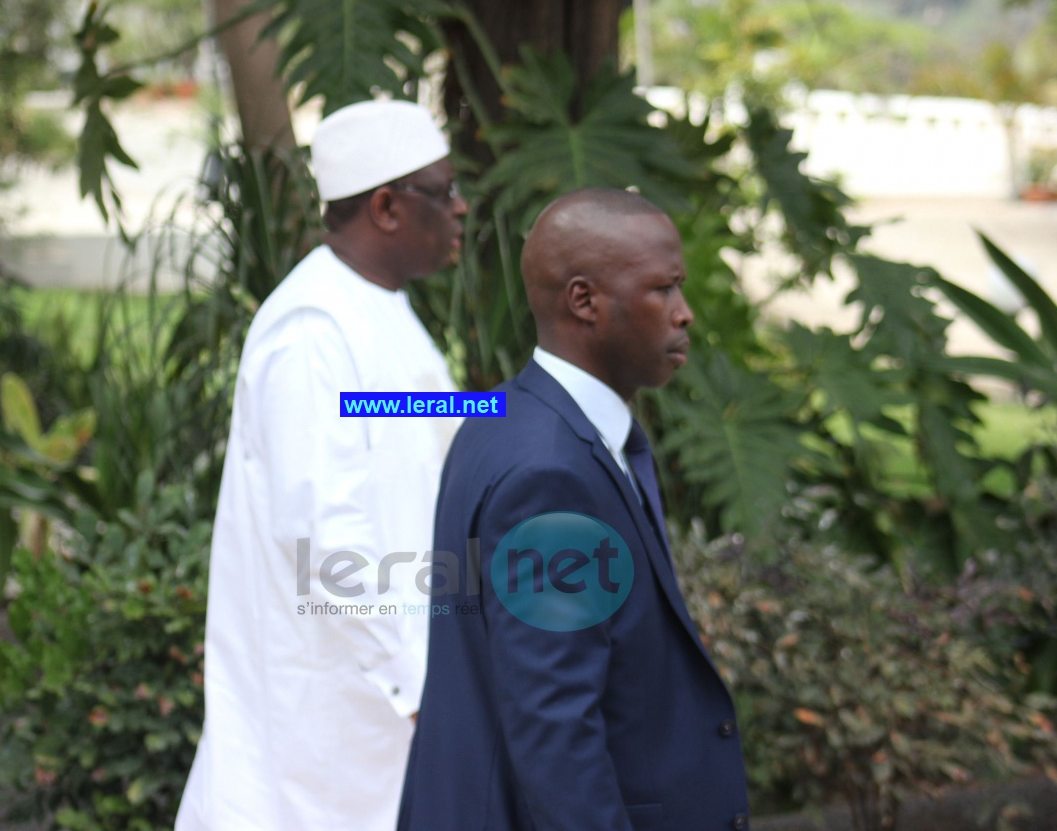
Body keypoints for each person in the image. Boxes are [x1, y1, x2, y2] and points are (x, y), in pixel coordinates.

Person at [397, 189, 751, 831]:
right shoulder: (550, 474)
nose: (685, 313)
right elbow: (555, 730)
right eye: (662, 290)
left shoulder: (500, 418)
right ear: (584, 302)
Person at [175, 100, 467, 831]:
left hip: (384, 706)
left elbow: (433, 455)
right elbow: (324, 534)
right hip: (327, 722)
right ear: (387, 207)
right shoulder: (313, 330)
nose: (461, 208)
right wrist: (414, 683)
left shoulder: (381, 310)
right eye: (444, 191)